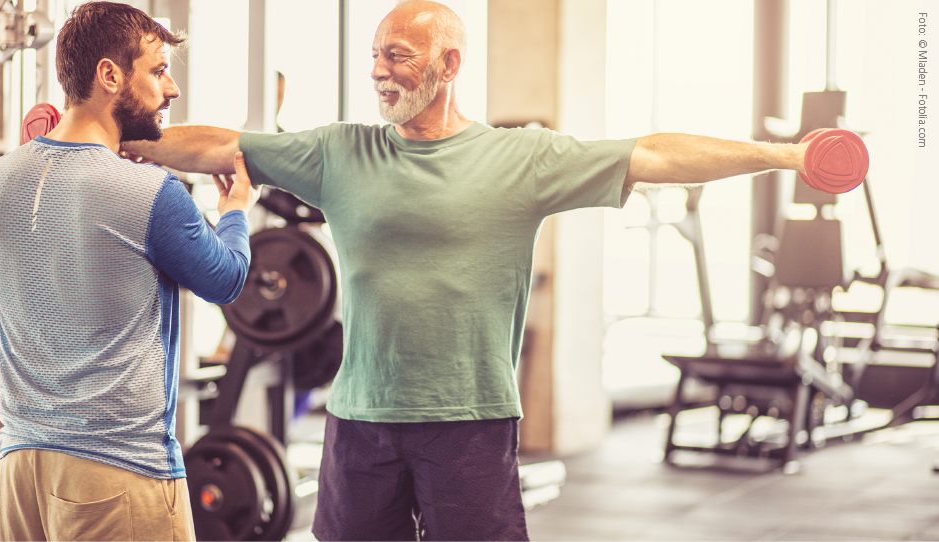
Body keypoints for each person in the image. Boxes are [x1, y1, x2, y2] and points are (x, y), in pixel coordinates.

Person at [122, 1, 811, 540]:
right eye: (372, 56)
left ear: (447, 64)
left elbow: (654, 155)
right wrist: (109, 137)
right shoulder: (338, 153)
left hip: (469, 421)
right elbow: (216, 144)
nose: (377, 71)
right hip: (359, 420)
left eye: (396, 55)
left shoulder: (523, 158)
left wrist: (787, 157)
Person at [0, 2, 258, 541]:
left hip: (20, 469)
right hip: (117, 472)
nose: (171, 89)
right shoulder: (151, 193)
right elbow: (227, 279)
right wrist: (236, 210)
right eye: (157, 71)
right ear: (109, 75)